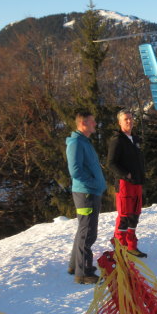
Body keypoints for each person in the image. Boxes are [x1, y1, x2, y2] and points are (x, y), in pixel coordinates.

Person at [66, 110, 107, 284]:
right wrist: (93, 184)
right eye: (92, 122)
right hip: (86, 193)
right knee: (88, 232)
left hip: (89, 191)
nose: (95, 124)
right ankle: (84, 273)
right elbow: (75, 171)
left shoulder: (84, 142)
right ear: (83, 124)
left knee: (84, 229)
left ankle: (75, 265)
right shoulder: (76, 143)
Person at [107, 109, 147, 258]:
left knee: (135, 216)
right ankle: (120, 248)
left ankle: (131, 246)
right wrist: (126, 174)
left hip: (137, 183)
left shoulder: (135, 139)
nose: (129, 121)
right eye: (126, 119)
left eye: (130, 118)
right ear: (120, 122)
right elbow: (111, 163)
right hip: (124, 184)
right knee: (124, 217)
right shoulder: (117, 139)